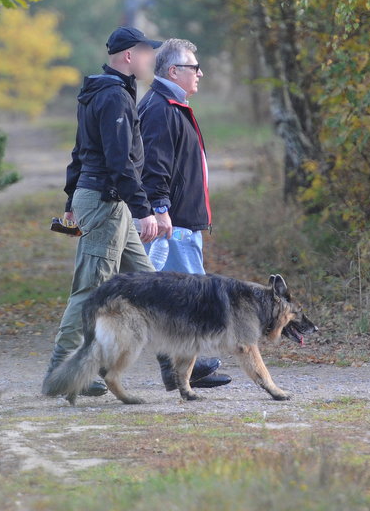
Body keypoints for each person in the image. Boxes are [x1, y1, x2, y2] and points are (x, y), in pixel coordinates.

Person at [44, 27, 220, 397]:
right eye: (144, 52)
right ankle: (61, 371)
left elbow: (80, 152)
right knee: (89, 290)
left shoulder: (110, 92)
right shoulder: (111, 96)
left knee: (151, 286)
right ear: (128, 55)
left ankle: (177, 368)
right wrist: (145, 211)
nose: (150, 60)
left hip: (108, 202)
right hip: (106, 203)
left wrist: (71, 200)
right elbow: (120, 162)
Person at [138, 38, 231, 391]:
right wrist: (161, 210)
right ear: (173, 71)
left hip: (179, 219)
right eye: (195, 67)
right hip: (173, 222)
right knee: (192, 294)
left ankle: (182, 369)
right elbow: (155, 167)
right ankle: (186, 367)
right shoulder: (162, 108)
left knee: (177, 295)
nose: (200, 73)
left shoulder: (171, 104)